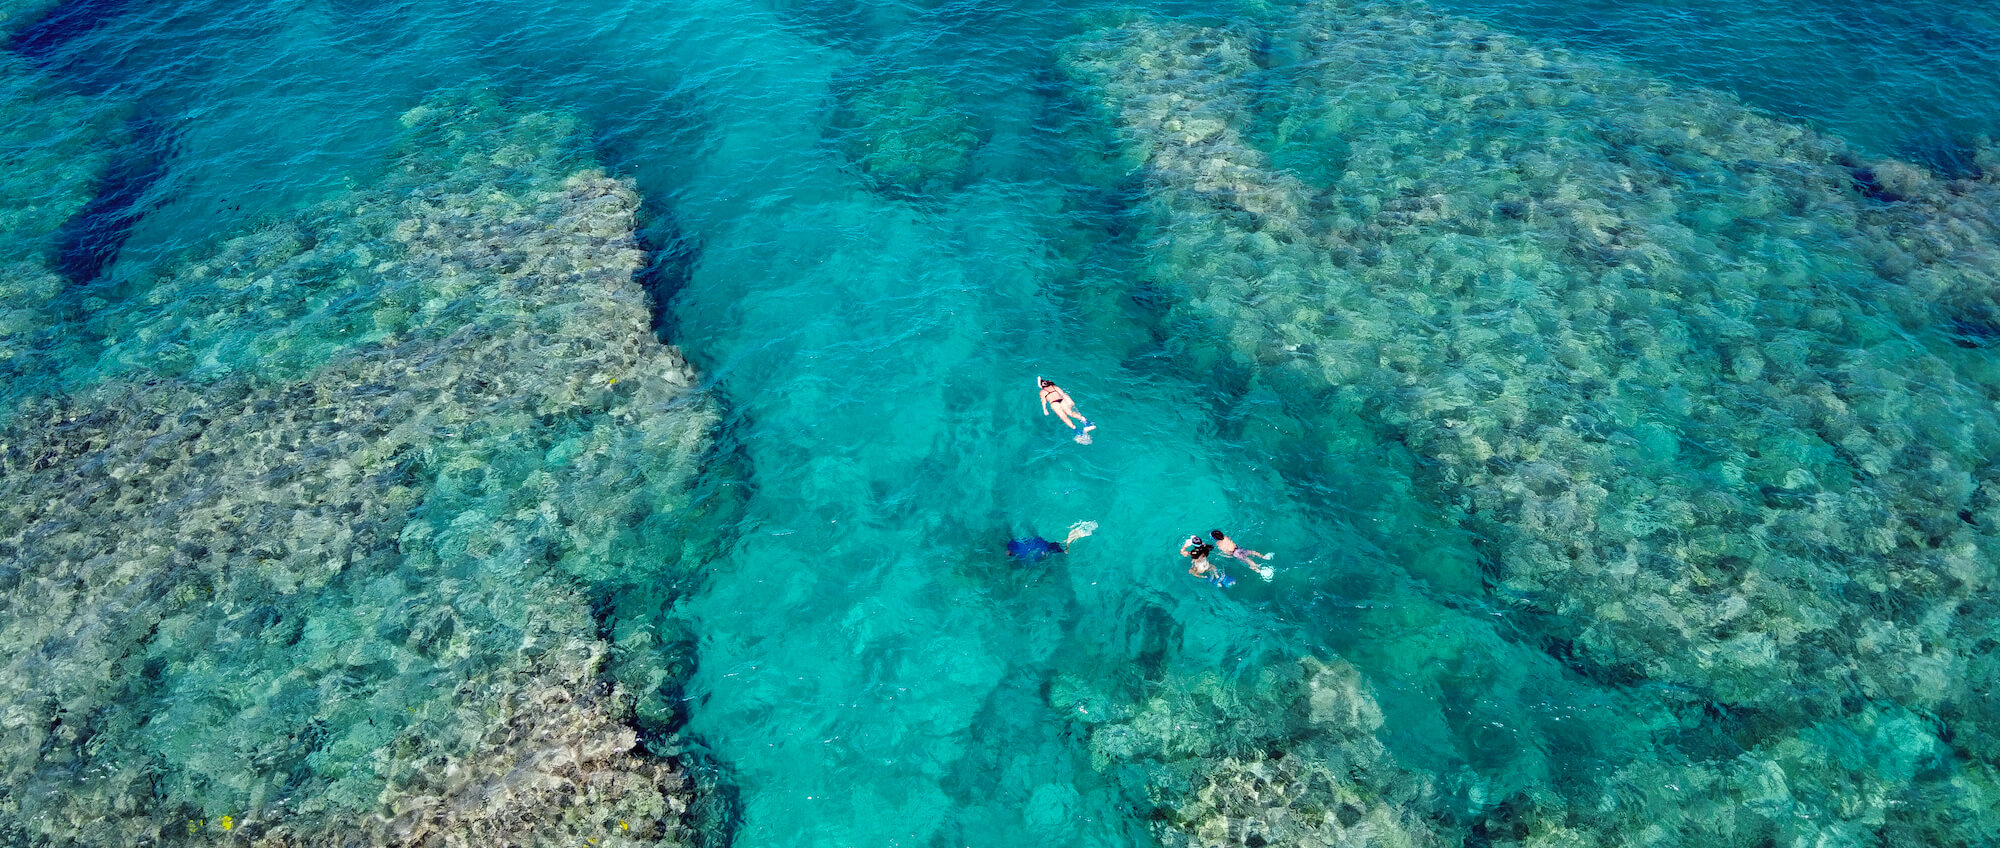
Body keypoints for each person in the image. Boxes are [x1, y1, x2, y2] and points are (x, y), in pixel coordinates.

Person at [1038, 378, 1096, 443]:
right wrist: (1070, 401)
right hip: (1062, 400)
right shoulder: (1054, 387)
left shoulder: (1042, 392)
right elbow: (1063, 394)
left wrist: (1045, 409)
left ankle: (1077, 431)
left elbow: (1043, 402)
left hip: (1054, 403)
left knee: (1064, 417)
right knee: (1070, 413)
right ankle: (1085, 422)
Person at [1210, 530, 1274, 580]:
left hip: (1235, 553)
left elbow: (1226, 552)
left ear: (1215, 538)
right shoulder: (1225, 537)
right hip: (1239, 548)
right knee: (1252, 552)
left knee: (1249, 562)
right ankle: (1264, 557)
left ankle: (1259, 571)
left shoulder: (1218, 544)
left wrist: (1226, 555)